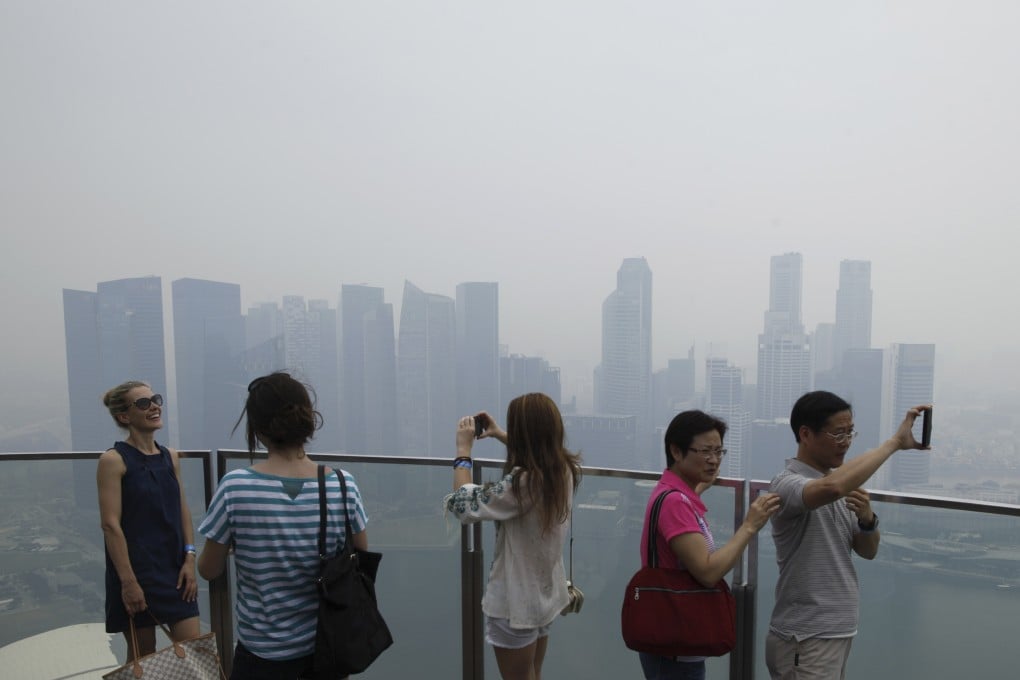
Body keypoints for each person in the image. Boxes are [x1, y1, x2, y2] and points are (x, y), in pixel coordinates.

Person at [197, 372, 368, 680]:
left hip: (261, 656)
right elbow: (362, 557)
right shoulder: (343, 485)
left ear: (257, 429)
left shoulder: (236, 487)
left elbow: (209, 569)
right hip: (326, 649)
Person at [765, 391, 931, 680]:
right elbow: (830, 490)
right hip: (803, 634)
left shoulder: (840, 484)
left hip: (835, 630)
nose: (846, 442)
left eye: (850, 432)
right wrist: (893, 443)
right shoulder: (788, 484)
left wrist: (867, 519)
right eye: (838, 433)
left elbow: (867, 550)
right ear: (806, 434)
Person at [445, 393, 582, 680]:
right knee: (534, 672)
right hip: (544, 596)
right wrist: (500, 435)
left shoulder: (522, 484)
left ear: (523, 434)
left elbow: (462, 503)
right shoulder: (564, 470)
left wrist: (463, 450)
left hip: (514, 603)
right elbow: (538, 453)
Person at [637, 410, 780, 680]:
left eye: (718, 451)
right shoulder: (675, 503)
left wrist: (699, 487)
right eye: (705, 452)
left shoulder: (673, 493)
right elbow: (707, 572)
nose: (714, 460)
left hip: (671, 637)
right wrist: (750, 525)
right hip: (675, 646)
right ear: (676, 452)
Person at [97, 381, 201, 660]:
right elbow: (110, 524)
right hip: (135, 572)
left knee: (194, 653)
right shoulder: (114, 460)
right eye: (143, 403)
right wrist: (128, 583)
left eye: (155, 399)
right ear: (124, 416)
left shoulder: (171, 457)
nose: (155, 406)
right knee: (144, 658)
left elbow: (183, 511)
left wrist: (190, 558)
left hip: (175, 571)